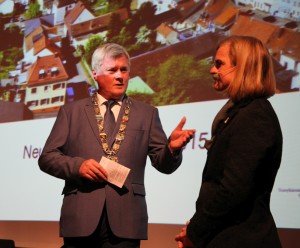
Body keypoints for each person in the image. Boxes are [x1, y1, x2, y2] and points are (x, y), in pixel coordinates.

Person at [38, 43, 195, 248]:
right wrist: (78, 166)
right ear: (95, 73)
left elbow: (163, 164)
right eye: (112, 70)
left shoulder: (147, 114)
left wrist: (172, 149)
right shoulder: (71, 112)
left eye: (124, 70)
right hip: (81, 216)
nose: (120, 76)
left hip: (127, 219)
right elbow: (47, 157)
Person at [175, 35, 283, 248]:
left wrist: (195, 233)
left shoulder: (254, 116)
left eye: (219, 64)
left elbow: (233, 190)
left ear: (241, 66)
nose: (212, 70)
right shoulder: (240, 112)